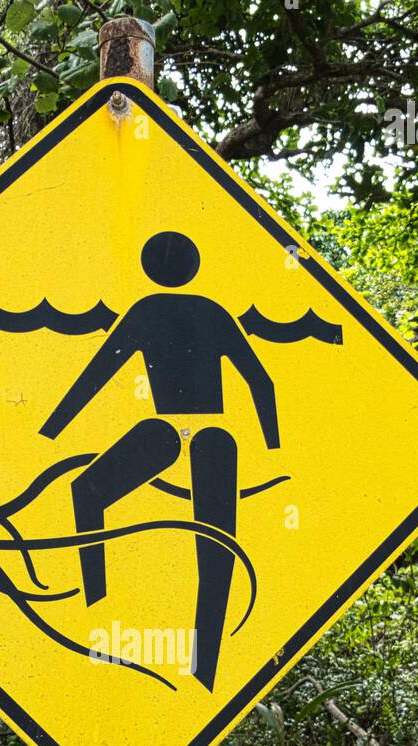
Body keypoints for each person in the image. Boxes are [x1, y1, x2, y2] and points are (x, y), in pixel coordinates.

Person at [39, 230, 281, 691]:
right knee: (216, 556)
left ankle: (98, 608)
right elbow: (261, 382)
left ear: (152, 267)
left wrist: (52, 429)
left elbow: (94, 377)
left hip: (165, 431)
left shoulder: (146, 311)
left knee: (85, 493)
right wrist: (271, 445)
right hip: (213, 436)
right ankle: (202, 670)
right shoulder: (213, 313)